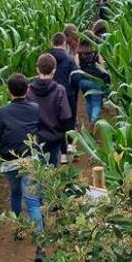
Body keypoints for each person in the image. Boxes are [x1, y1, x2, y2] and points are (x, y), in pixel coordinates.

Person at [0, 73, 43, 233]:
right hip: (29, 159)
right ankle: (40, 242)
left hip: (9, 161)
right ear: (27, 89)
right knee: (33, 202)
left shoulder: (2, 112)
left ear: (9, 91)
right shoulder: (35, 108)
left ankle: (19, 230)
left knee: (15, 194)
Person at [27, 54, 72, 167]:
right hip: (54, 138)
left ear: (37, 69)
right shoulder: (59, 90)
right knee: (51, 168)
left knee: (37, 170)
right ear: (54, 70)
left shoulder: (28, 90)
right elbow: (65, 116)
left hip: (34, 138)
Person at [48, 33, 80, 164]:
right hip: (68, 94)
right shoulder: (69, 59)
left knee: (58, 123)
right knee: (70, 121)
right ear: (64, 44)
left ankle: (63, 155)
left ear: (52, 43)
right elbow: (76, 77)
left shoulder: (47, 58)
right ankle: (71, 148)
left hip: (52, 95)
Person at [78, 31, 110, 125]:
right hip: (95, 81)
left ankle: (89, 121)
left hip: (83, 81)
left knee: (88, 101)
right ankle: (93, 121)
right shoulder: (96, 51)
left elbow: (76, 66)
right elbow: (102, 67)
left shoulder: (79, 52)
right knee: (96, 102)